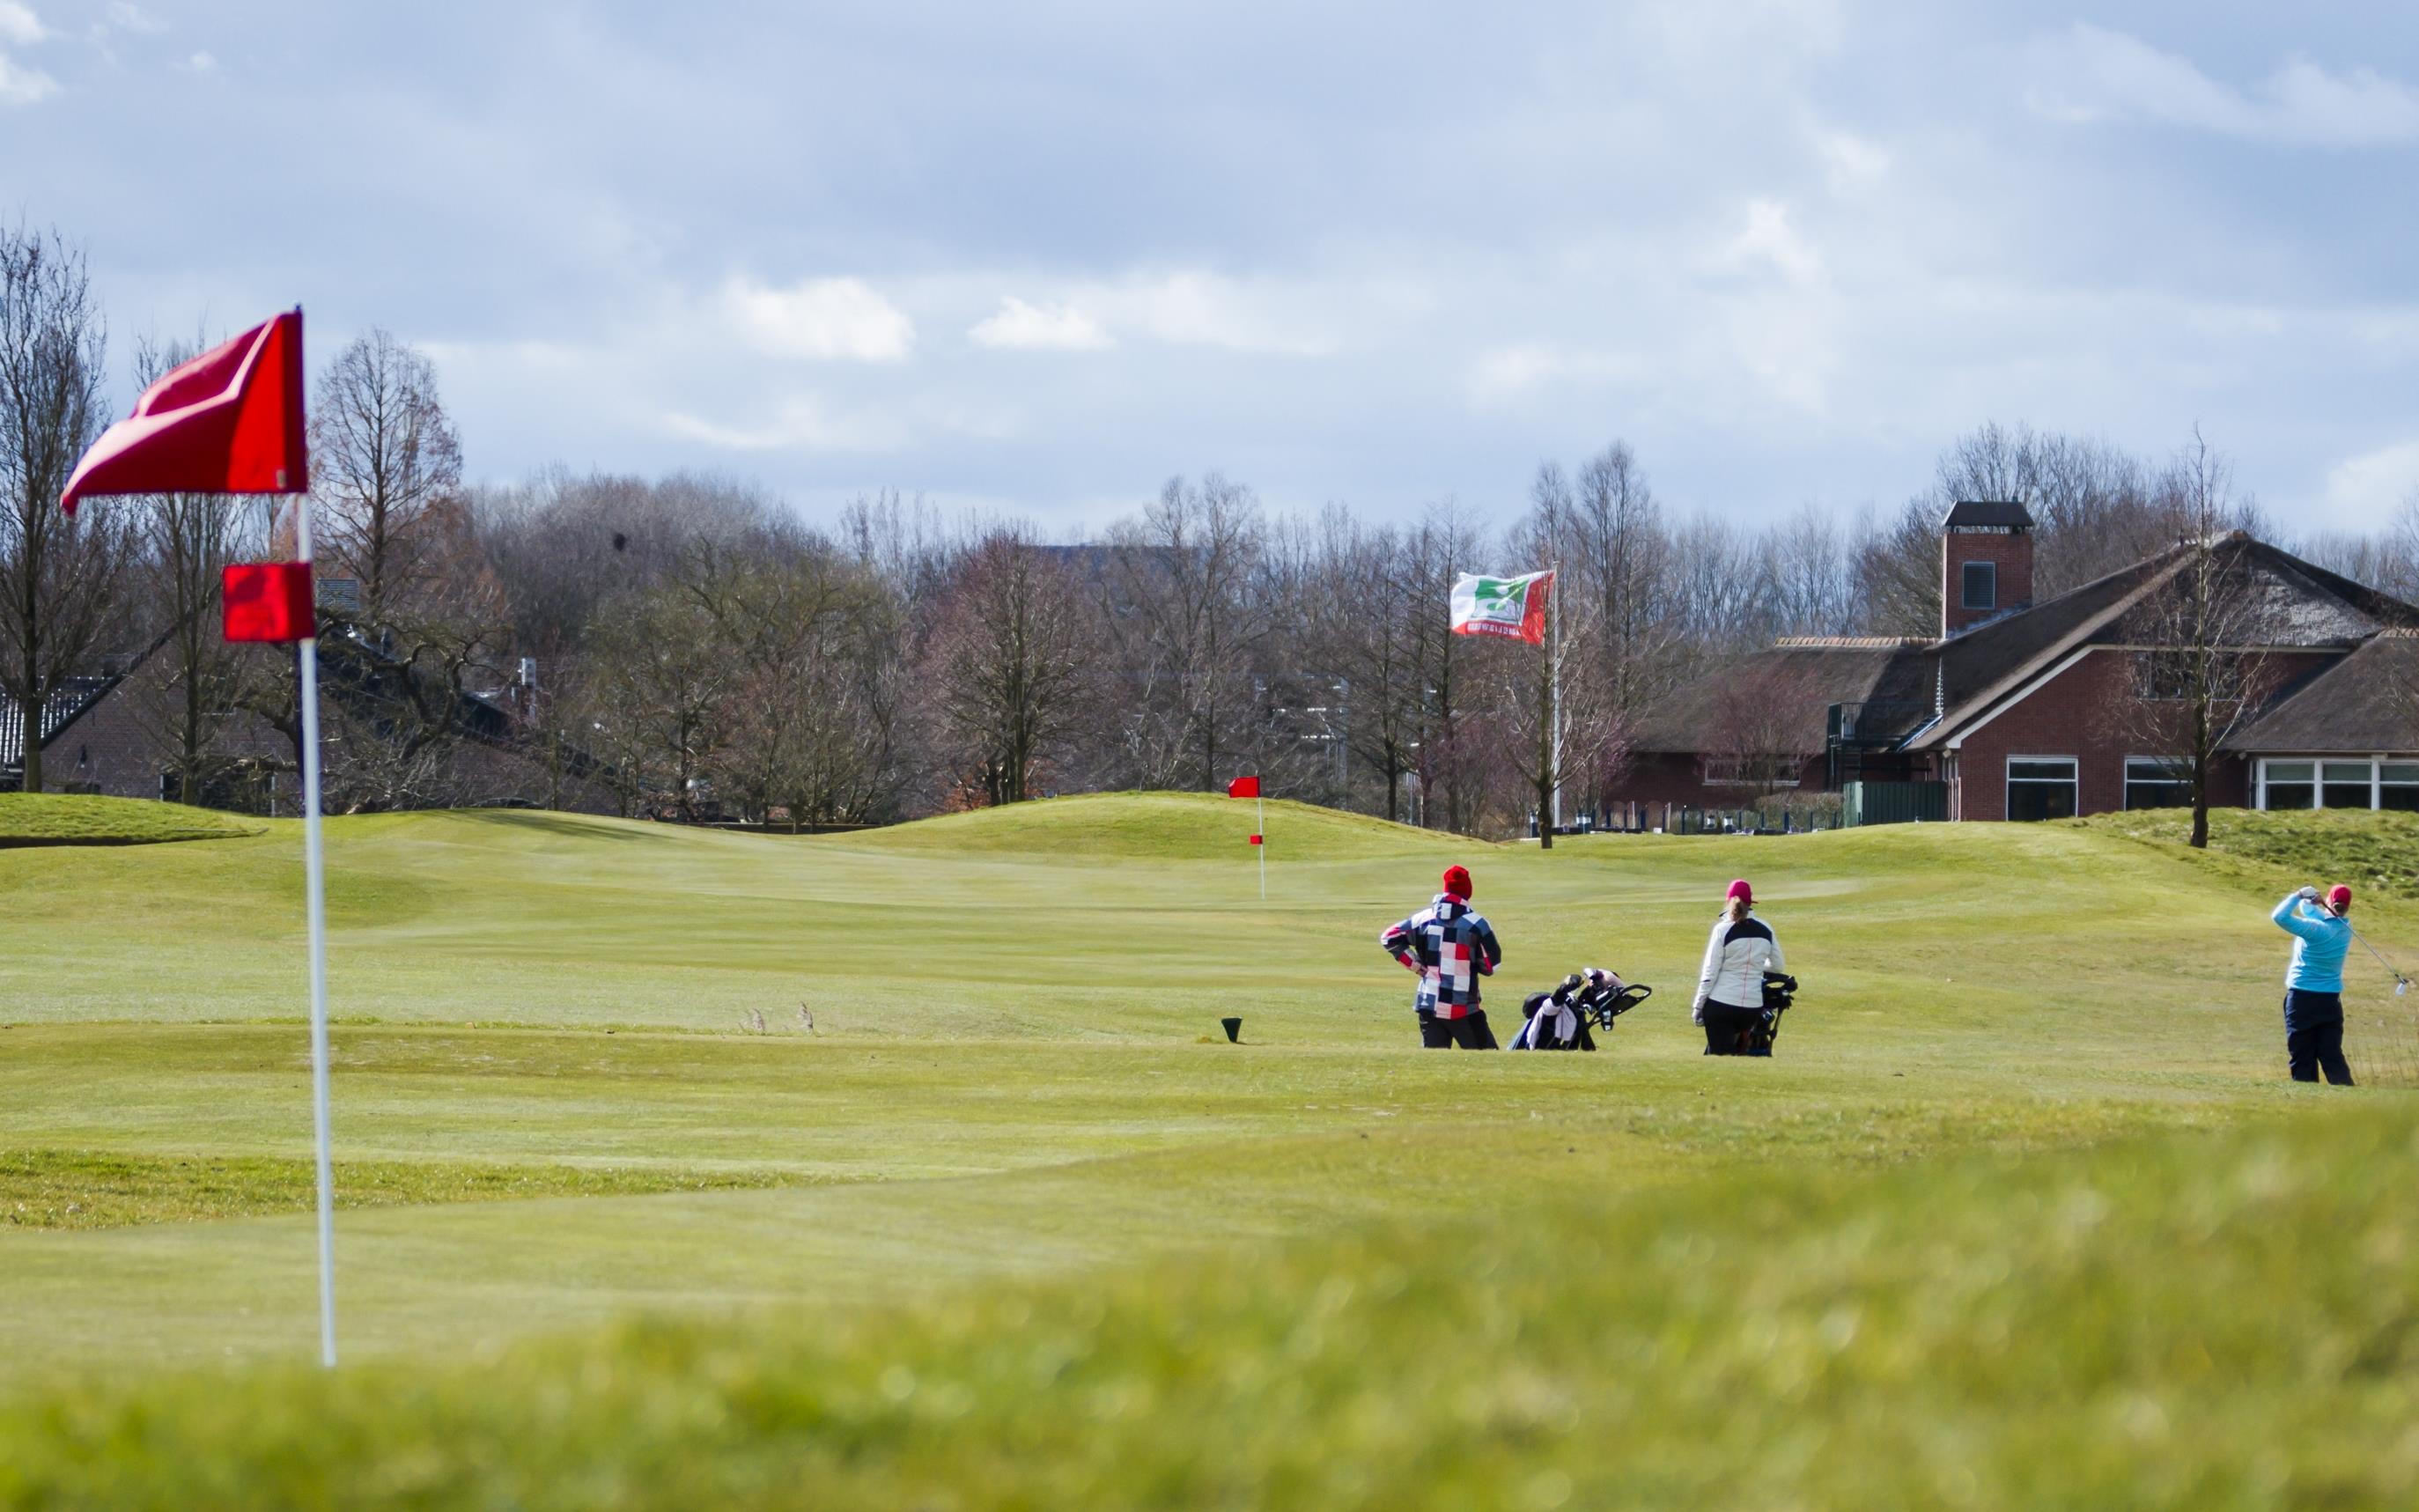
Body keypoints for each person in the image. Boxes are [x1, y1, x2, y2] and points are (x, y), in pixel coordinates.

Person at [1381, 864, 1502, 1048]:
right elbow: (1491, 966)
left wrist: (1416, 965)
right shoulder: (1477, 924)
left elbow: (1389, 937)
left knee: (1433, 1065)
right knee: (1488, 1061)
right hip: (1464, 1007)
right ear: (1467, 891)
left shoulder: (1423, 918)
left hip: (1429, 1003)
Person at [2271, 884, 2356, 1086]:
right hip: (2330, 1002)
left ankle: (2306, 1105)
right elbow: (2313, 914)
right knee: (2331, 1055)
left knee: (2302, 1056)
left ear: (2329, 900)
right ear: (2347, 907)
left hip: (2303, 1001)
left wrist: (2298, 895)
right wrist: (2310, 902)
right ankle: (2351, 1100)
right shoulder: (2345, 928)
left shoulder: (2316, 930)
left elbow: (2279, 917)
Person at [1693, 878, 1783, 1056]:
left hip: (1721, 1005)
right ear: (1750, 903)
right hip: (1752, 1008)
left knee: (1720, 1057)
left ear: (1728, 901)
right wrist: (1755, 965)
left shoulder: (1722, 929)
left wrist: (1698, 1007)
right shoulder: (1766, 928)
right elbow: (1778, 966)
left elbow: (1710, 972)